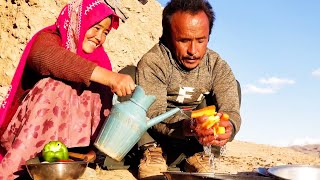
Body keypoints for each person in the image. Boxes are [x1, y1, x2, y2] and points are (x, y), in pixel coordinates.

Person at [0, 0, 135, 178]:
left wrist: (94, 151)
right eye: (95, 27)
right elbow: (46, 57)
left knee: (99, 90)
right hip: (24, 135)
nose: (99, 37)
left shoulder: (100, 58)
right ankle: (16, 170)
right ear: (79, 21)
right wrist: (111, 78)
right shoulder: (51, 37)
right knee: (54, 86)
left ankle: (79, 153)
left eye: (105, 33)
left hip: (66, 151)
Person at [133, 0, 241, 178]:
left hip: (194, 138)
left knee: (234, 86)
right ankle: (151, 151)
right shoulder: (154, 62)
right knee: (128, 77)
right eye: (184, 40)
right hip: (158, 134)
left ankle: (202, 155)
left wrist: (228, 126)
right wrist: (189, 125)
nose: (193, 50)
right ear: (168, 36)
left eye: (201, 40)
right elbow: (154, 115)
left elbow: (231, 110)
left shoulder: (216, 66)